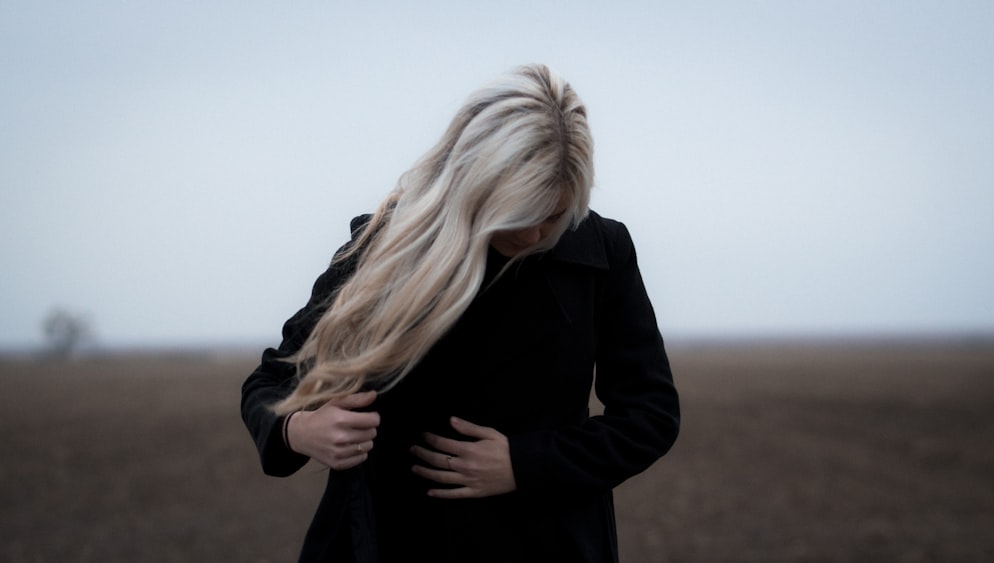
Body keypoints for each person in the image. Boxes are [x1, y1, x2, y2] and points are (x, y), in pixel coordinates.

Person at [241, 63, 680, 563]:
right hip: (391, 540)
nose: (537, 236)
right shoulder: (387, 246)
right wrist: (300, 430)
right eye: (520, 215)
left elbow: (650, 416)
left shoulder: (601, 252)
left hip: (547, 543)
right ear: (475, 184)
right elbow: (270, 382)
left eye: (555, 215)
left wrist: (525, 463)